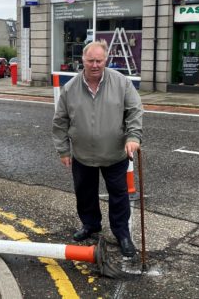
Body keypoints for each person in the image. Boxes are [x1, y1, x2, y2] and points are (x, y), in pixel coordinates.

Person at [52, 41, 143, 257]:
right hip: (82, 155)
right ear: (82, 60)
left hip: (114, 154)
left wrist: (133, 136)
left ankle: (122, 234)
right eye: (90, 60)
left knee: (118, 196)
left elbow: (135, 111)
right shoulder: (70, 88)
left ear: (106, 60)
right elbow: (60, 121)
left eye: (99, 61)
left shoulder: (121, 83)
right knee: (85, 194)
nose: (95, 65)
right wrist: (63, 150)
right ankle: (90, 224)